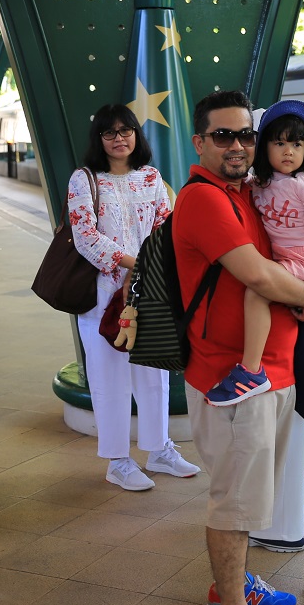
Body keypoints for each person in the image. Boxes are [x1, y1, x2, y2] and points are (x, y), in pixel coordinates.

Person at [174, 90, 304, 605]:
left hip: (270, 376)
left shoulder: (248, 193)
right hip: (233, 381)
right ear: (200, 142)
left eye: (245, 134)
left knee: (249, 499)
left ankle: (231, 584)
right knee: (235, 507)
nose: (237, 145)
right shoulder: (205, 198)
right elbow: (258, 276)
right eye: (223, 135)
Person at [68, 105, 199, 492]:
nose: (119, 138)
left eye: (126, 130)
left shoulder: (151, 177)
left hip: (149, 289)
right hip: (102, 295)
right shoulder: (84, 180)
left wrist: (145, 269)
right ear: (99, 139)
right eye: (109, 133)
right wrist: (133, 264)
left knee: (154, 371)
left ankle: (159, 450)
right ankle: (117, 461)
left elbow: (166, 229)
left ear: (137, 135)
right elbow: (85, 237)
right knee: (109, 376)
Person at [205, 100, 304, 407]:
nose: (288, 152)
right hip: (286, 258)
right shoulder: (259, 183)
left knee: (256, 293)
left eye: (297, 144)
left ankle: (251, 370)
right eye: (280, 143)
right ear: (265, 148)